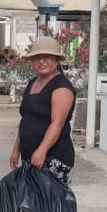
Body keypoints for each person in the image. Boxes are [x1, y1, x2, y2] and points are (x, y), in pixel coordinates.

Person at [10, 35, 76, 185]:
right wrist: (16, 149)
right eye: (37, 58)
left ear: (57, 60)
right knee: (30, 198)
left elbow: (57, 123)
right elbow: (27, 118)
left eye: (47, 57)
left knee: (49, 199)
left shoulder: (62, 87)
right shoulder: (33, 83)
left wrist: (42, 150)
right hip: (30, 156)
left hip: (53, 157)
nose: (41, 61)